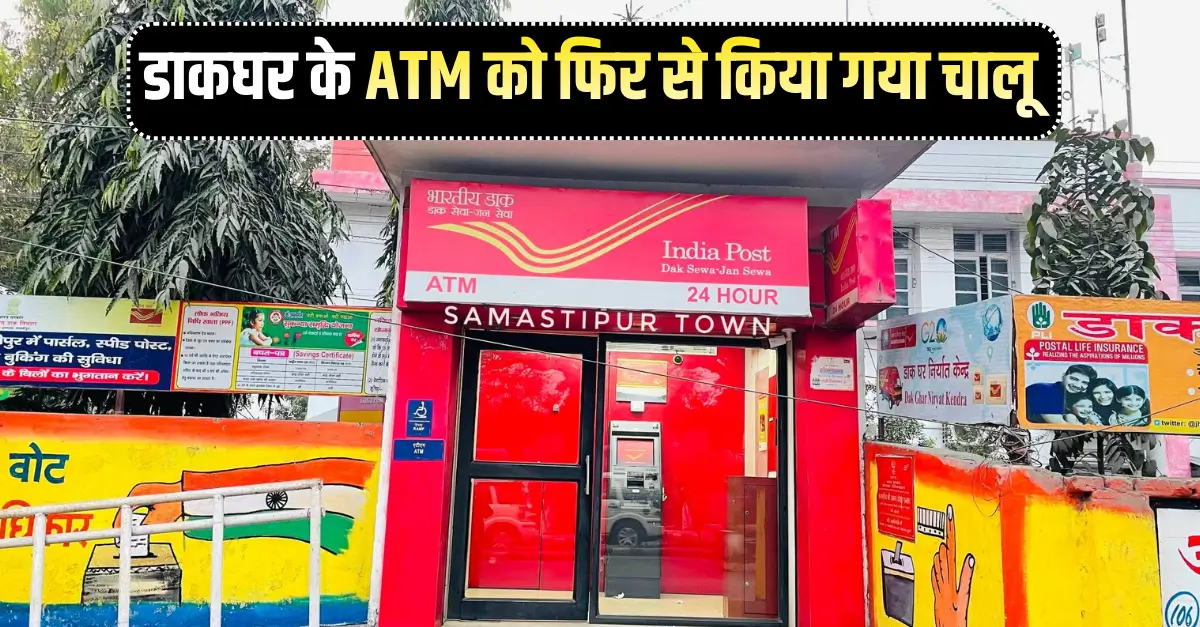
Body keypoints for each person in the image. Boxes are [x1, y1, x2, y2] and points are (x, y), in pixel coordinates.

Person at [1024, 364, 1097, 424]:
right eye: (1074, 379)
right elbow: (1059, 424)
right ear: (1063, 377)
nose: (1078, 385)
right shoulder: (1043, 389)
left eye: (1084, 383)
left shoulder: (1078, 397)